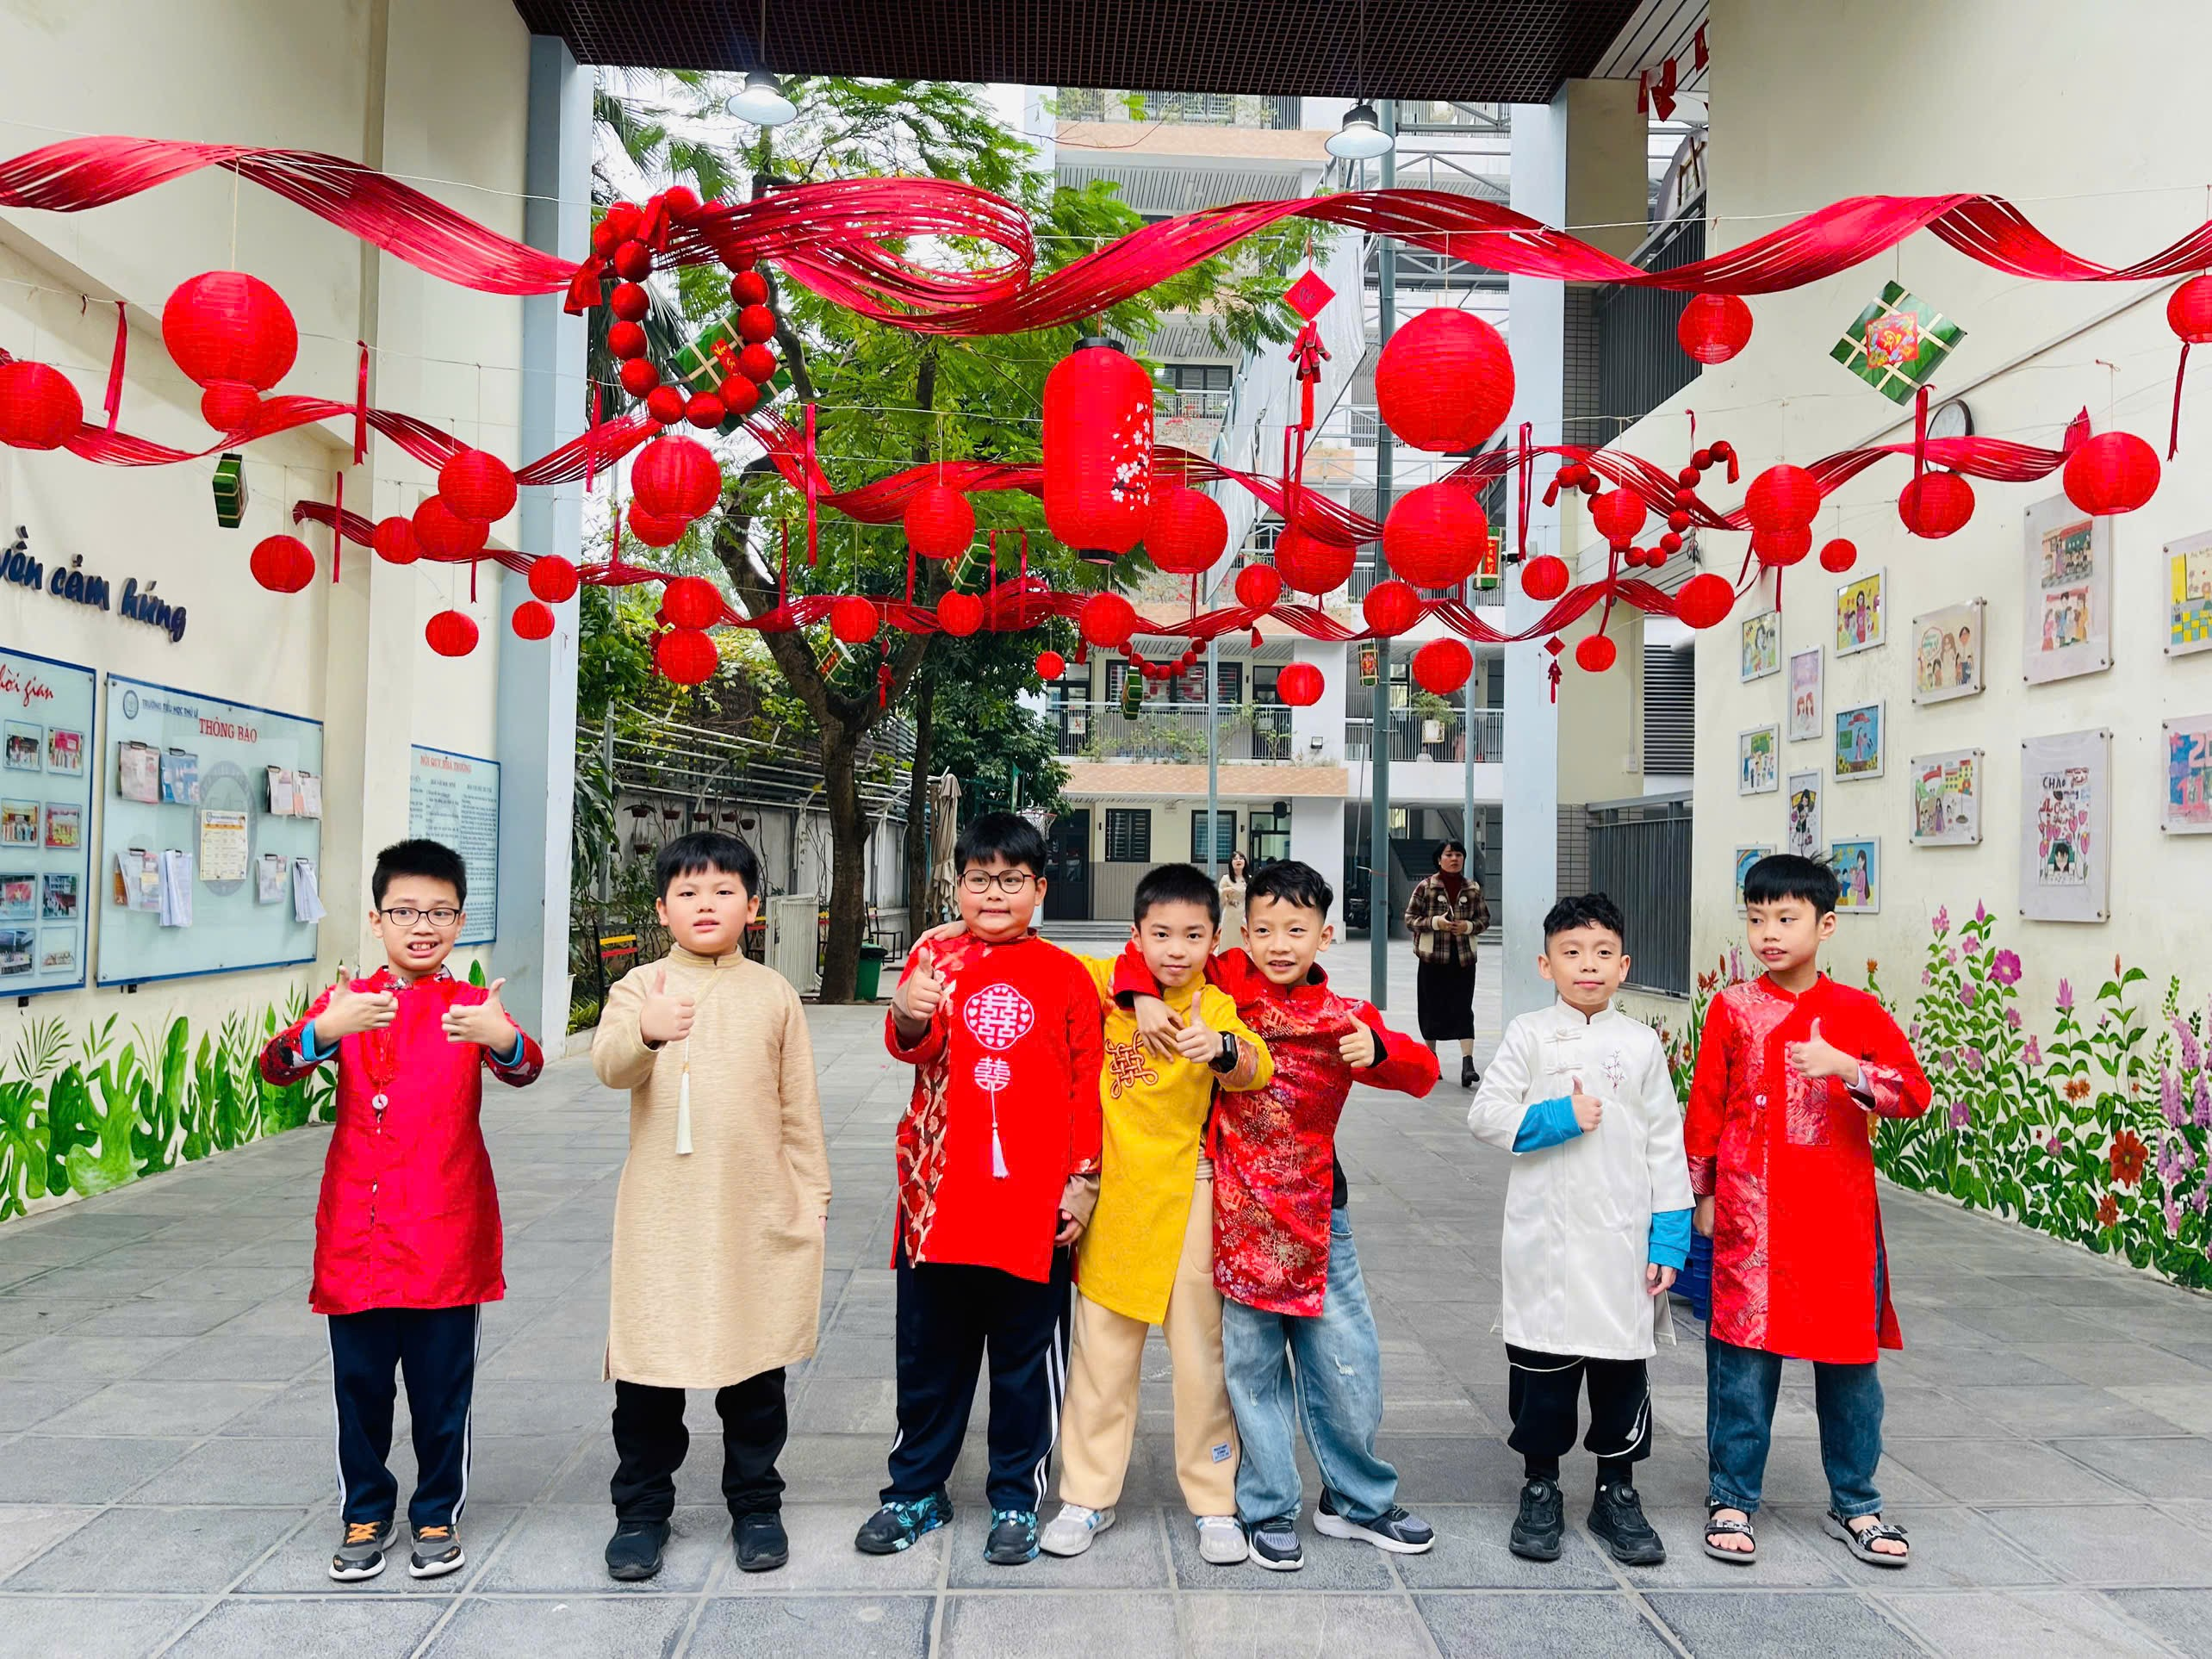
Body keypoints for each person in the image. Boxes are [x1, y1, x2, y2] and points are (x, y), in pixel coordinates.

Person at [1119, 860, 1440, 1571]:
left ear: (1326, 935)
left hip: (1323, 1217)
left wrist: (1381, 1051)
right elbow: (1159, 951)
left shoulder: (1348, 1015)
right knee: (1251, 1371)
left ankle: (1357, 1502)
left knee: (1347, 1364)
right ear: (1243, 934)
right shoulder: (1229, 984)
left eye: (1297, 929)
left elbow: (1423, 1074)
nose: (1280, 943)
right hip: (1235, 1214)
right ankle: (1266, 1504)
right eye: (1264, 929)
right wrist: (1141, 994)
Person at [961, 861, 1268, 1565]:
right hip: (1114, 1198)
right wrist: (1139, 993)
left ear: (1215, 939)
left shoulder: (1216, 1007)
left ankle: (1214, 1501)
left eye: (1193, 935)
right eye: (1160, 934)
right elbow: (1050, 964)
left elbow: (1257, 1065)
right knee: (1102, 1352)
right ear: (1135, 935)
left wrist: (1221, 1050)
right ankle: (1087, 1495)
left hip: (1191, 1191)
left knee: (1201, 1355)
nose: (1176, 949)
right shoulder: (1104, 985)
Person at [258, 838, 544, 1584]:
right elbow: (278, 1067)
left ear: (459, 919)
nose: (423, 926)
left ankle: (435, 1509)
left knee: (441, 1388)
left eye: (440, 912)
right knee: (359, 1387)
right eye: (406, 911)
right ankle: (366, 1508)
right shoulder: (347, 1002)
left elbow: (527, 1069)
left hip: (446, 1230)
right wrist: (327, 1030)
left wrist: (503, 1037)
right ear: (378, 918)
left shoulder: (470, 1005)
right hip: (358, 1230)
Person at [860, 811, 1104, 1567]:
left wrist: (1082, 1184)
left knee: (1027, 1366)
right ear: (957, 883)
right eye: (978, 879)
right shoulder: (934, 953)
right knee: (928, 1358)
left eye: (1011, 880)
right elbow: (917, 1046)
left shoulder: (1067, 975)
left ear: (1038, 887)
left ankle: (1015, 1498)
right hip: (937, 1202)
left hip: (1033, 1210)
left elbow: (1085, 1089)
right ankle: (915, 1490)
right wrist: (906, 1011)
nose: (993, 893)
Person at [591, 832, 830, 1582]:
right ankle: (641, 1513)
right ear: (662, 910)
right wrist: (647, 1035)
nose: (706, 905)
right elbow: (608, 1067)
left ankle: (756, 1506)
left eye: (723, 891)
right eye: (688, 893)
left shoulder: (774, 993)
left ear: (752, 908)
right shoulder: (639, 988)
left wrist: (811, 1195)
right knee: (649, 1372)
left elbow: (799, 1109)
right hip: (662, 1216)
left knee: (755, 1370)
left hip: (752, 1210)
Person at [1687, 853, 1930, 1569]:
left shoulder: (1858, 1012)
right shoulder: (1731, 1007)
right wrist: (1701, 1194)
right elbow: (1706, 1108)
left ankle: (1856, 1500)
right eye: (1756, 918)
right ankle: (1731, 1496)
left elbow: (1914, 1096)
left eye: (1786, 918)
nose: (1769, 932)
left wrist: (1849, 1070)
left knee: (1851, 1370)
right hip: (1749, 1219)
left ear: (1825, 925)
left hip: (1838, 1225)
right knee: (1741, 1366)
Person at [1466, 893, 1693, 1566]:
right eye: (1571, 953)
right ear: (1546, 964)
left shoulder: (1641, 1042)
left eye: (1601, 954)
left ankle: (1617, 1490)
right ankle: (1541, 1485)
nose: (1586, 966)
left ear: (1624, 966)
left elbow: (1665, 1146)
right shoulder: (1530, 1036)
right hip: (1548, 1245)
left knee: (1622, 1372)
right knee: (1544, 1369)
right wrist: (1559, 1116)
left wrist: (1669, 1237)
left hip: (1625, 1242)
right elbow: (1487, 1115)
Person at [1403, 840, 1489, 1088]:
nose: (1455, 858)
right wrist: (1435, 923)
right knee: (1431, 1008)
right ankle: (1432, 1061)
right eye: (1449, 854)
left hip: (1463, 959)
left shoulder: (1472, 888)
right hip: (1432, 960)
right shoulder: (1426, 887)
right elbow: (1410, 919)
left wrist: (1468, 927)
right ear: (1439, 859)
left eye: (1459, 854)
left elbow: (1484, 919)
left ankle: (1468, 1064)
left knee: (1464, 1008)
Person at [1217, 849, 1249, 947]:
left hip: (1243, 916)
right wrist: (1225, 892)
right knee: (1228, 942)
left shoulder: (1249, 879)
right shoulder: (1226, 879)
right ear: (1231, 863)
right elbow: (1222, 901)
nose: (1238, 860)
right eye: (1235, 859)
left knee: (1242, 942)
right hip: (1230, 916)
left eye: (1241, 858)